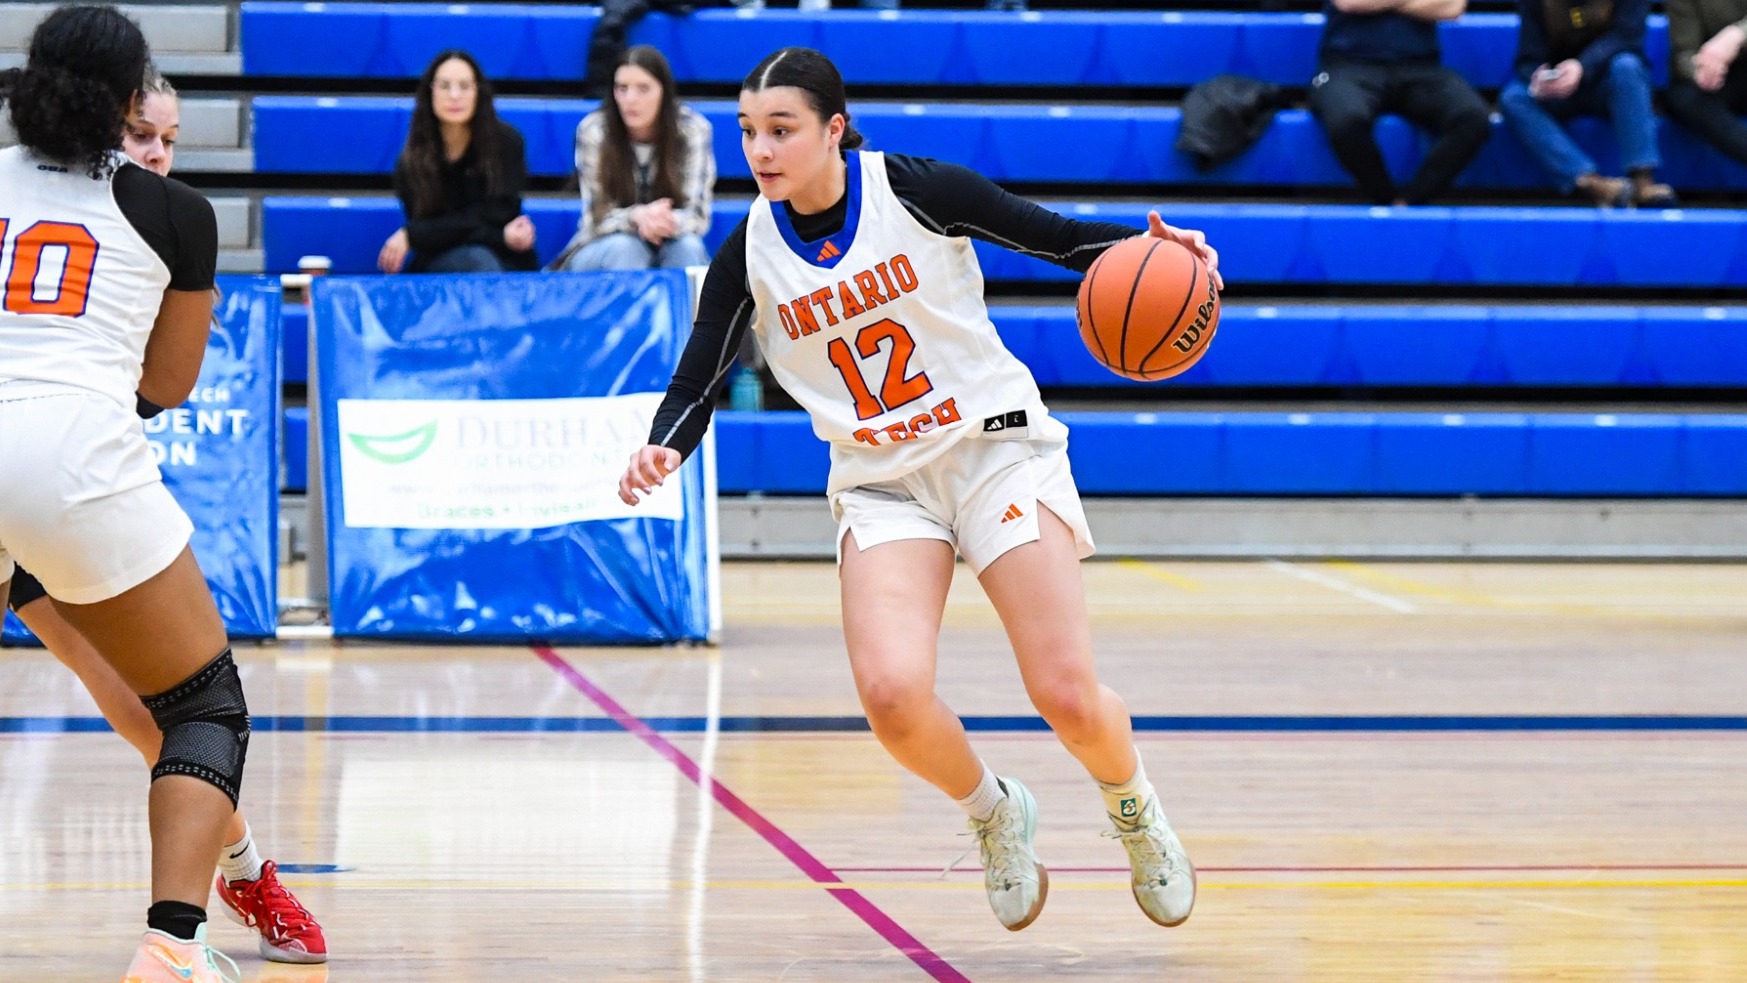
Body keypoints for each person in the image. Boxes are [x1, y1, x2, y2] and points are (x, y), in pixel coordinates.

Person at [617, 46, 1217, 932]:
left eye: (781, 130)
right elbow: (697, 374)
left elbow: (1052, 236)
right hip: (881, 482)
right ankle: (995, 812)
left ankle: (1133, 808)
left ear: (833, 128)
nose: (762, 150)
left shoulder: (917, 189)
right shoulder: (750, 248)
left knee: (1061, 690)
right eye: (748, 132)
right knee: (892, 698)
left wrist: (1157, 252)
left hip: (992, 452)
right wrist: (663, 447)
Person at [1, 60, 328, 969]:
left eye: (171, 142)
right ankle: (211, 902)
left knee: (139, 697)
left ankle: (242, 868)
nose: (156, 154)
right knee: (181, 702)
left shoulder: (130, 213)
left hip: (55, 454)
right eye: (142, 136)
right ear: (97, 127)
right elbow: (162, 382)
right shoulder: (131, 210)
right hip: (64, 462)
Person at [1306, 0, 1491, 205]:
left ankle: (1409, 203)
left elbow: (1452, 7)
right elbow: (1350, 3)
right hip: (1348, 65)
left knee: (1473, 117)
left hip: (1421, 66)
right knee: (1347, 121)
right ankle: (1387, 200)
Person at [1497, 0, 1677, 207]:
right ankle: (1589, 182)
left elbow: (1628, 38)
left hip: (1606, 84)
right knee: (1513, 98)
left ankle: (1642, 179)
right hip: (1558, 90)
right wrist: (1539, 78)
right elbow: (1528, 57)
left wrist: (1582, 67)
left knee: (1628, 67)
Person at [551, 46, 715, 272]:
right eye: (622, 88)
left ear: (664, 92)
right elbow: (595, 218)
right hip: (601, 247)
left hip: (671, 239)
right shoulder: (595, 130)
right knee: (627, 248)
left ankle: (688, 310)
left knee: (687, 247)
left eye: (643, 89)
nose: (630, 99)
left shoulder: (692, 130)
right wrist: (636, 217)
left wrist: (660, 222)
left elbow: (697, 217)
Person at [378, 50, 538, 274]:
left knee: (489, 266)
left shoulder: (507, 143)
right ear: (430, 93)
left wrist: (413, 234)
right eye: (444, 86)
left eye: (464, 86)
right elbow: (429, 236)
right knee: (478, 263)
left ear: (478, 93)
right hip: (441, 263)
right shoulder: (411, 161)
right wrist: (498, 234)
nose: (454, 95)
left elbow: (499, 214)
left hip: (505, 259)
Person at [1664, 0, 1747, 167]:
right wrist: (1700, 69)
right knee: (1683, 96)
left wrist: (1737, 34)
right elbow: (1683, 52)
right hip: (1718, 78)